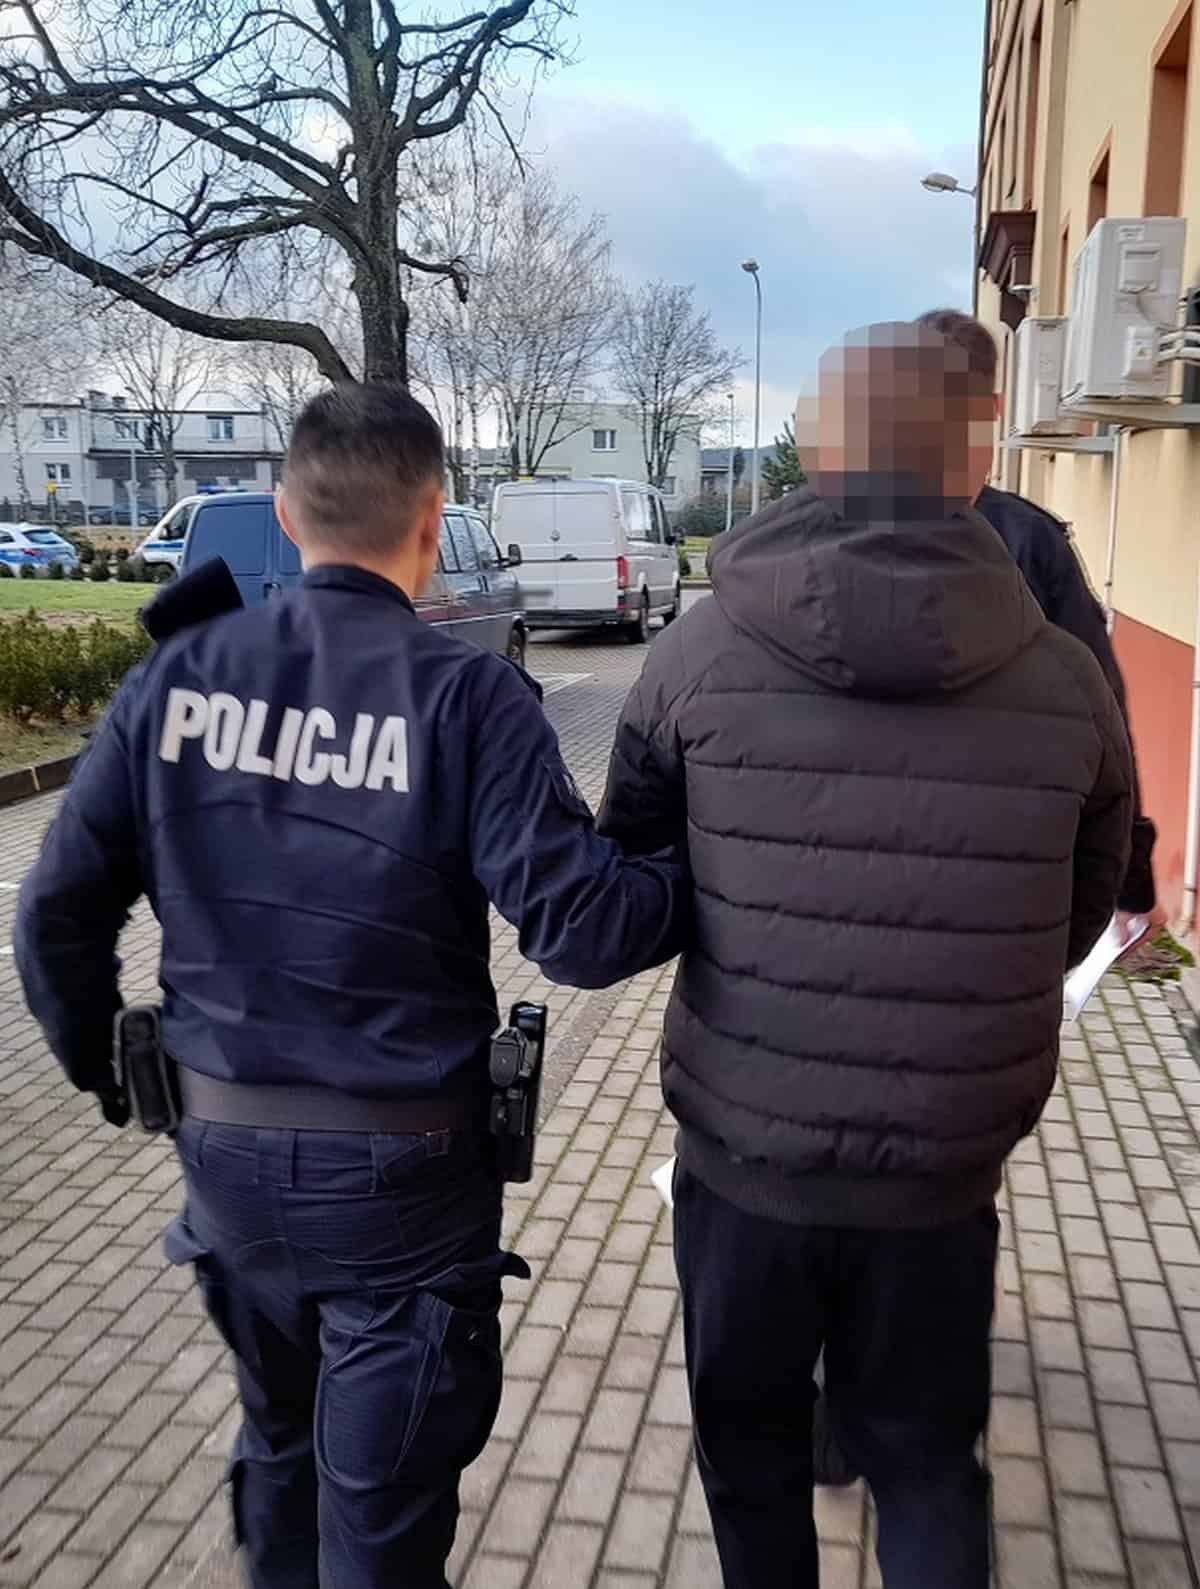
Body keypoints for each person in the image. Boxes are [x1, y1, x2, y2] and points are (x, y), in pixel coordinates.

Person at [15, 384, 688, 1589]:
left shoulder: (177, 677)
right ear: (432, 521)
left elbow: (55, 913)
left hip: (223, 1161)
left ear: (286, 513)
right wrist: (698, 864)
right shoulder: (467, 696)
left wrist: (111, 1076)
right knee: (377, 1522)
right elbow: (583, 931)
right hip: (402, 1192)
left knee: (281, 1448)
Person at [598, 322, 1132, 1589]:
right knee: (928, 1463)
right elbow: (1076, 906)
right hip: (941, 1170)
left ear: (818, 452)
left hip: (747, 1156)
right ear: (972, 460)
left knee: (753, 1461)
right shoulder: (1066, 677)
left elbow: (635, 865)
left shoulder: (696, 652)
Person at [917, 307, 1156, 922]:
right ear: (995, 409)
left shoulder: (814, 537)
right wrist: (1128, 878)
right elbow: (1102, 713)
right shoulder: (1031, 540)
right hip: (998, 873)